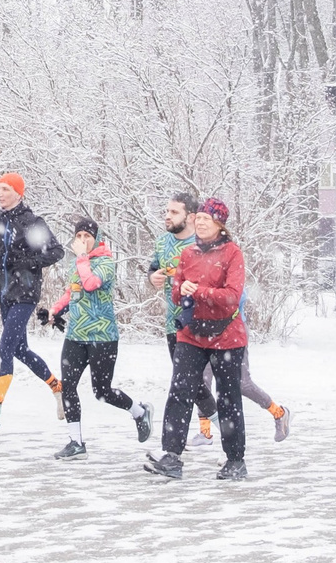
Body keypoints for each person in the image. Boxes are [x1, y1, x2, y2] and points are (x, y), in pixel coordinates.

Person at [144, 197, 249, 482]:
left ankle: (235, 460)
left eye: (207, 219)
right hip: (191, 333)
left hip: (226, 336)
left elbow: (231, 298)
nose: (200, 222)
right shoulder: (189, 253)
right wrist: (182, 287)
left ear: (220, 224)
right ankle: (171, 457)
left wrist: (199, 290)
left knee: (228, 398)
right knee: (179, 392)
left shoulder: (232, 254)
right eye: (199, 218)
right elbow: (177, 291)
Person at [49, 217, 149, 458]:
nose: (82, 241)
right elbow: (72, 291)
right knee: (68, 386)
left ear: (96, 239)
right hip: (75, 336)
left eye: (87, 237)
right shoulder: (78, 264)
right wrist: (55, 310)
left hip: (102, 337)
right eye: (79, 237)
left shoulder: (105, 262)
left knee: (102, 392)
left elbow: (91, 284)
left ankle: (139, 412)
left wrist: (82, 258)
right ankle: (76, 442)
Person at [0, 172, 64, 424]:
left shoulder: (31, 222)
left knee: (5, 347)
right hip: (4, 292)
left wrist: (30, 262)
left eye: (5, 189)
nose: (0, 193)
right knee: (20, 350)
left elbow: (56, 252)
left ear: (19, 193)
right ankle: (56, 386)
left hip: (26, 293)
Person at [147, 192, 215, 441]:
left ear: (191, 216)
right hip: (172, 324)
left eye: (174, 212)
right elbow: (154, 267)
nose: (167, 216)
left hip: (199, 324)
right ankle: (224, 428)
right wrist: (152, 276)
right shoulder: (162, 242)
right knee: (192, 385)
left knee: (183, 384)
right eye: (167, 211)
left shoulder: (202, 244)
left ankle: (173, 446)